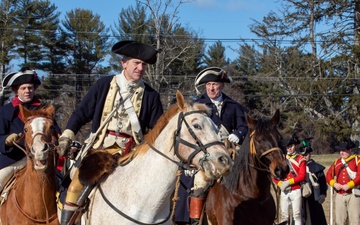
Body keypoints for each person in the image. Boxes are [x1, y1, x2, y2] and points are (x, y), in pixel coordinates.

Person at [57, 40, 164, 225]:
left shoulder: (151, 96)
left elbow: (158, 131)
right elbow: (81, 113)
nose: (140, 68)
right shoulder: (104, 84)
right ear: (124, 63)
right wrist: (68, 134)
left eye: (143, 65)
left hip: (132, 154)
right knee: (75, 187)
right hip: (101, 149)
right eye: (136, 63)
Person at [174, 67, 249, 225]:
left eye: (214, 84)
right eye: (208, 84)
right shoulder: (198, 104)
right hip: (205, 155)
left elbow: (244, 126)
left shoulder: (234, 106)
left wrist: (238, 134)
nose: (211, 88)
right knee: (199, 185)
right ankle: (195, 220)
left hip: (229, 152)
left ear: (221, 86)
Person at [0, 67, 62, 192]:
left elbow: (57, 133)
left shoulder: (45, 109)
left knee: (64, 187)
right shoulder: (5, 111)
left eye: (30, 88)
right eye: (23, 88)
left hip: (42, 158)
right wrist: (6, 140)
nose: (27, 91)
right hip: (15, 159)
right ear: (15, 90)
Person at [273, 136, 306, 225]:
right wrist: (280, 183)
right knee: (284, 216)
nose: (289, 148)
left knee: (297, 215)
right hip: (284, 190)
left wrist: (288, 182)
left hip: (296, 189)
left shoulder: (300, 159)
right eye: (287, 147)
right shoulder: (281, 159)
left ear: (295, 146)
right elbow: (274, 175)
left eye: (291, 146)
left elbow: (302, 176)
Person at [326, 140, 360, 225]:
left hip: (353, 194)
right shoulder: (337, 162)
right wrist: (334, 184)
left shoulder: (357, 160)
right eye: (340, 150)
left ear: (350, 150)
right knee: (339, 221)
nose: (341, 152)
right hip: (340, 195)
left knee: (355, 221)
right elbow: (328, 175)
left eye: (344, 150)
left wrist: (349, 185)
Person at [298, 140, 327, 225]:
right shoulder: (297, 166)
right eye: (303, 155)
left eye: (307, 154)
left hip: (314, 197)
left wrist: (323, 194)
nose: (305, 156)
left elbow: (322, 182)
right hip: (301, 197)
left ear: (310, 154)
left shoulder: (317, 168)